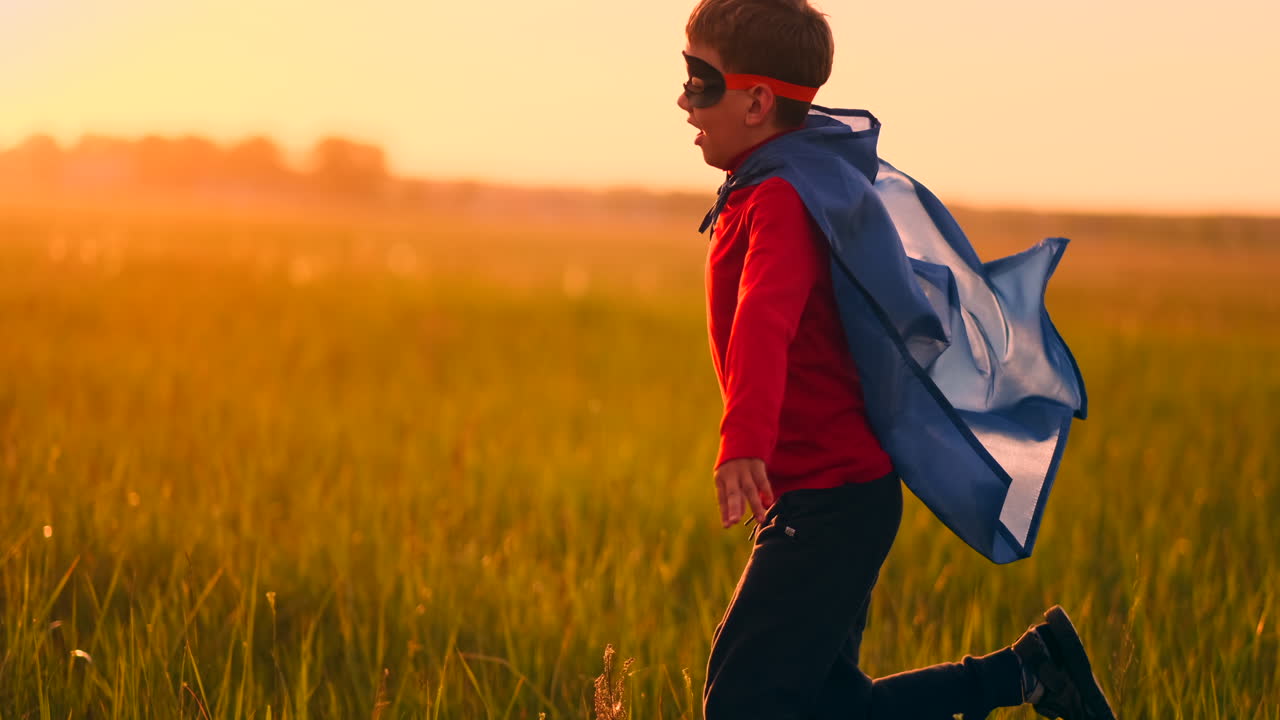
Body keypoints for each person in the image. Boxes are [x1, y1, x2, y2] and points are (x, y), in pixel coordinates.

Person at [676, 1, 1117, 718]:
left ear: (757, 101)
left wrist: (744, 442)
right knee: (821, 709)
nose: (683, 99)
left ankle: (1028, 673)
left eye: (700, 81)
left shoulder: (784, 197)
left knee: (743, 705)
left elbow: (765, 318)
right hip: (832, 496)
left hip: (830, 500)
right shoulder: (781, 184)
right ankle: (1031, 671)